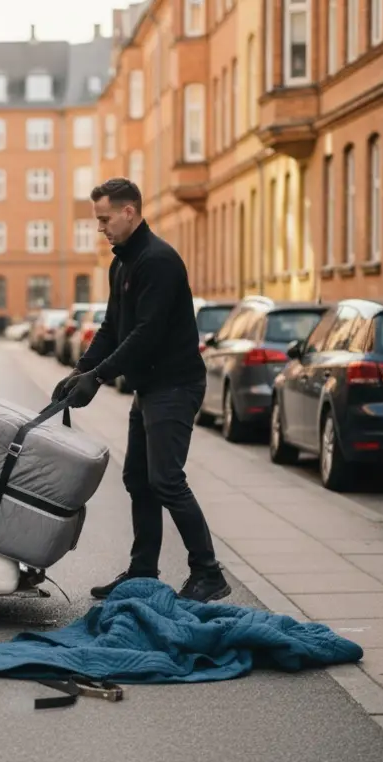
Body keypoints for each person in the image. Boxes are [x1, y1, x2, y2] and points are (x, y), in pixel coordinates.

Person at [53, 177, 231, 604]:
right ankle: (143, 572)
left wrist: (99, 377)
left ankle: (208, 573)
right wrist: (81, 369)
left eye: (105, 219)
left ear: (129, 212)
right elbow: (114, 327)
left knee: (166, 480)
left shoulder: (158, 261)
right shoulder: (122, 264)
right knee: (137, 478)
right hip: (150, 388)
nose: (101, 228)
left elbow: (147, 335)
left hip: (175, 385)